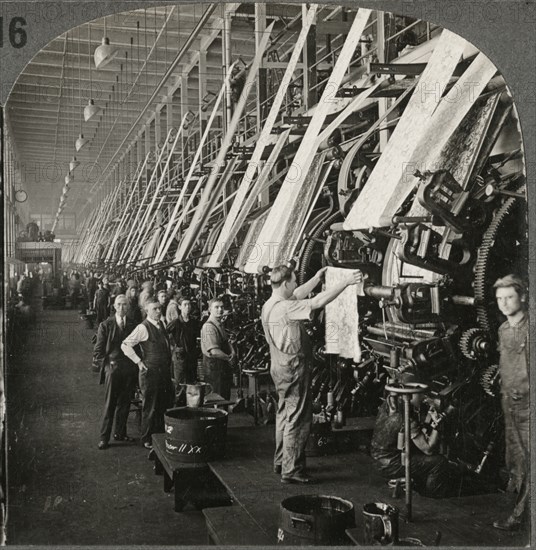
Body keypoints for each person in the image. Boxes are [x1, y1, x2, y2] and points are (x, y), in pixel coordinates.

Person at [261, 264, 362, 484]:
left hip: (278, 366)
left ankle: (281, 461)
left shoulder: (271, 304)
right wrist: (345, 283)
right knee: (297, 417)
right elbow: (316, 302)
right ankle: (292, 470)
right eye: (295, 281)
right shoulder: (287, 308)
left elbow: (298, 295)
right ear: (285, 283)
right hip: (293, 369)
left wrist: (317, 278)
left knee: (284, 414)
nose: (296, 285)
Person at [370, 389, 461, 498]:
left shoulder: (388, 404)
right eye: (421, 394)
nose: (423, 397)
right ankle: (432, 499)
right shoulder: (407, 419)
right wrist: (438, 424)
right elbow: (428, 449)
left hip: (377, 459)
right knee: (439, 462)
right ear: (410, 394)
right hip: (391, 466)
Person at [492, 274, 530, 531]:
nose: (504, 304)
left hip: (528, 406)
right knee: (516, 460)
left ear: (523, 297)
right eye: (499, 299)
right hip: (510, 403)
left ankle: (519, 517)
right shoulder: (504, 330)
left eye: (509, 297)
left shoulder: (531, 327)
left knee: (531, 462)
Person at [121, 298, 173, 450]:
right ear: (147, 311)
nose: (158, 311)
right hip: (150, 373)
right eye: (154, 309)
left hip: (163, 372)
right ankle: (147, 439)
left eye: (159, 308)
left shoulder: (161, 324)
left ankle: (160, 437)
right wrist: (138, 361)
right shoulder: (143, 327)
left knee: (163, 404)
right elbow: (125, 345)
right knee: (150, 407)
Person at [93, 295, 137, 450]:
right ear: (114, 306)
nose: (122, 307)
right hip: (112, 368)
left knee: (125, 403)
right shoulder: (106, 325)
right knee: (110, 403)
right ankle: (104, 437)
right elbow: (98, 351)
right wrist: (106, 367)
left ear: (128, 307)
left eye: (125, 305)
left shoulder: (133, 324)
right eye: (119, 304)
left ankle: (120, 433)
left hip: (129, 368)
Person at [200, 298, 234, 400]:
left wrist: (233, 351)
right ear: (210, 309)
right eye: (216, 307)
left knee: (224, 398)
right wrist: (230, 359)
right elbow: (214, 352)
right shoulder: (208, 327)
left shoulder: (219, 324)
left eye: (222, 307)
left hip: (222, 368)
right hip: (214, 369)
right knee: (216, 400)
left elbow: (226, 341)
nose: (220, 310)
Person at [167, 296, 200, 390]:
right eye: (185, 304)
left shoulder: (194, 322)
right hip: (180, 358)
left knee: (192, 383)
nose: (188, 307)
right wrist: (173, 348)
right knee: (180, 384)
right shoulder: (175, 323)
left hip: (192, 357)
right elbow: (165, 335)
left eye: (189, 304)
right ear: (180, 307)